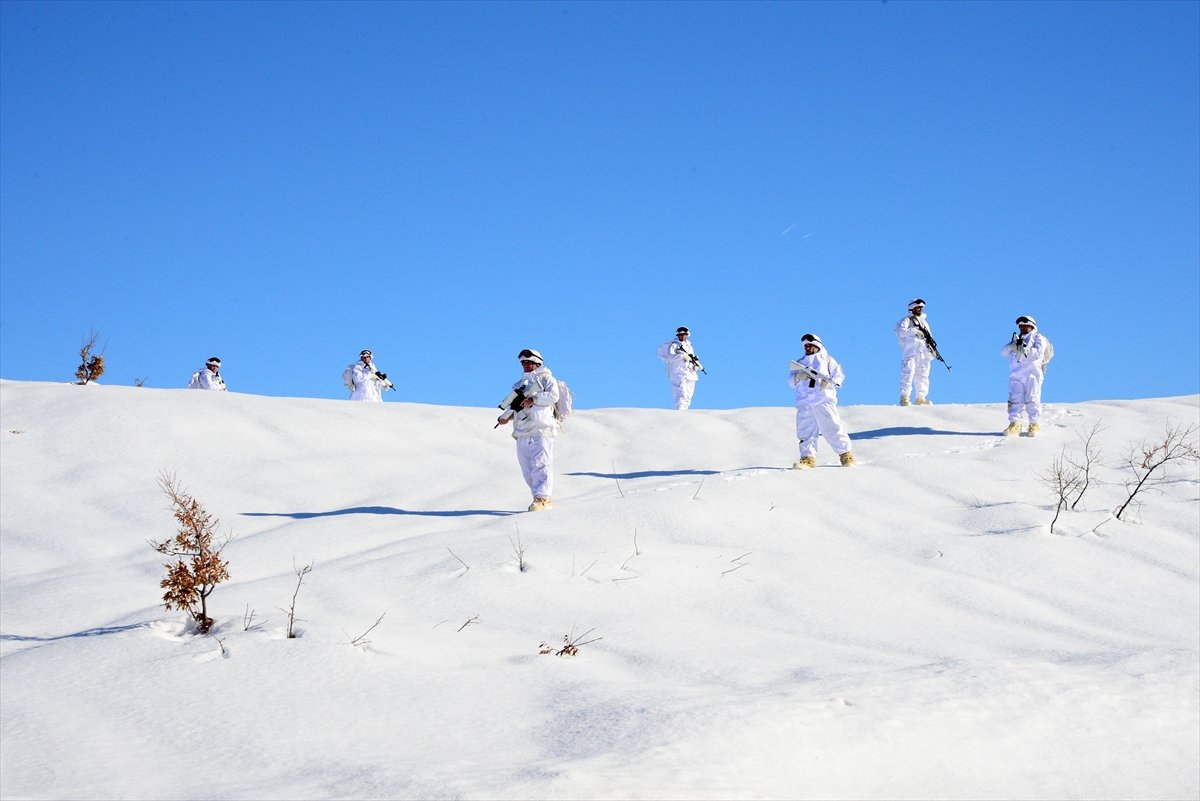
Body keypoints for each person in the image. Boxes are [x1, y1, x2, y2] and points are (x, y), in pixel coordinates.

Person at [496, 348, 560, 511]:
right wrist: (506, 416)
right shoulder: (520, 384)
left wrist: (534, 399)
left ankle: (544, 498)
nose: (525, 365)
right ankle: (536, 498)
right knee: (527, 468)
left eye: (528, 362)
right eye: (523, 362)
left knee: (541, 464)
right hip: (522, 430)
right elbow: (515, 404)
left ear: (537, 363)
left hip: (541, 428)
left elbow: (554, 396)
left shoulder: (547, 379)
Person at [787, 333, 855, 468]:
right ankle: (807, 458)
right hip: (805, 402)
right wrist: (798, 377)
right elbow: (790, 382)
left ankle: (846, 455)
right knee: (805, 431)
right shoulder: (799, 363)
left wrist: (830, 383)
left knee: (832, 427)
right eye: (805, 345)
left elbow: (839, 376)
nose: (807, 347)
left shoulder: (828, 360)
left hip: (823, 400)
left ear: (817, 345)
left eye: (810, 345)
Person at [1000, 315, 1052, 437]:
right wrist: (1012, 346)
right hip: (1016, 375)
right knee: (1014, 400)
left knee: (1032, 399)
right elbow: (1003, 352)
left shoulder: (1038, 337)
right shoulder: (1016, 339)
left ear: (1032, 326)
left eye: (1025, 325)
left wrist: (1025, 349)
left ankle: (1034, 424)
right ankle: (1015, 424)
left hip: (1032, 375)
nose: (1022, 328)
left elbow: (1038, 353)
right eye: (1020, 326)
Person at [893, 298, 935, 406]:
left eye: (921, 307)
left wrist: (932, 349)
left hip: (923, 353)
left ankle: (921, 398)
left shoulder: (925, 323)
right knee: (908, 373)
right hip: (911, 352)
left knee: (923, 375)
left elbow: (930, 337)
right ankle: (904, 397)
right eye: (918, 307)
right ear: (912, 308)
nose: (920, 309)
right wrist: (914, 331)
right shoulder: (907, 320)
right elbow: (899, 331)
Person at [657, 326, 703, 410]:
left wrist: (694, 365)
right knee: (681, 394)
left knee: (688, 395)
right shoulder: (674, 345)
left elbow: (690, 359)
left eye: (684, 334)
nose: (682, 336)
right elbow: (670, 358)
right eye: (680, 335)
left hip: (689, 374)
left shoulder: (689, 346)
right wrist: (682, 356)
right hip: (679, 374)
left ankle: (684, 412)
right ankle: (680, 414)